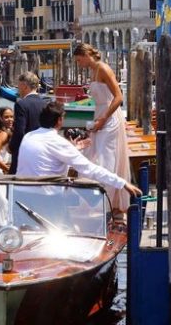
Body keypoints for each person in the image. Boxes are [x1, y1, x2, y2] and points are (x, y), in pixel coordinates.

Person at [16, 101, 142, 201]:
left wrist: (74, 149)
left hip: (21, 195)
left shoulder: (28, 137)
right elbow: (89, 168)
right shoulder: (58, 142)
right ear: (59, 120)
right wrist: (122, 182)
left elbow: (47, 160)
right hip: (48, 199)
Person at [73, 43, 131, 213]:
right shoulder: (93, 70)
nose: (78, 64)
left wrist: (103, 119)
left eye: (78, 60)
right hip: (99, 117)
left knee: (105, 160)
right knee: (92, 157)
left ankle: (106, 204)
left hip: (109, 119)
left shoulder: (103, 68)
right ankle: (98, 202)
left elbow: (119, 97)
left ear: (85, 55)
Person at [8, 72, 46, 174]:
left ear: (24, 86)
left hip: (24, 151)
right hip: (41, 150)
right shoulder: (45, 104)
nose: (17, 89)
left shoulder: (21, 104)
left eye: (18, 86)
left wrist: (11, 146)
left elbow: (20, 131)